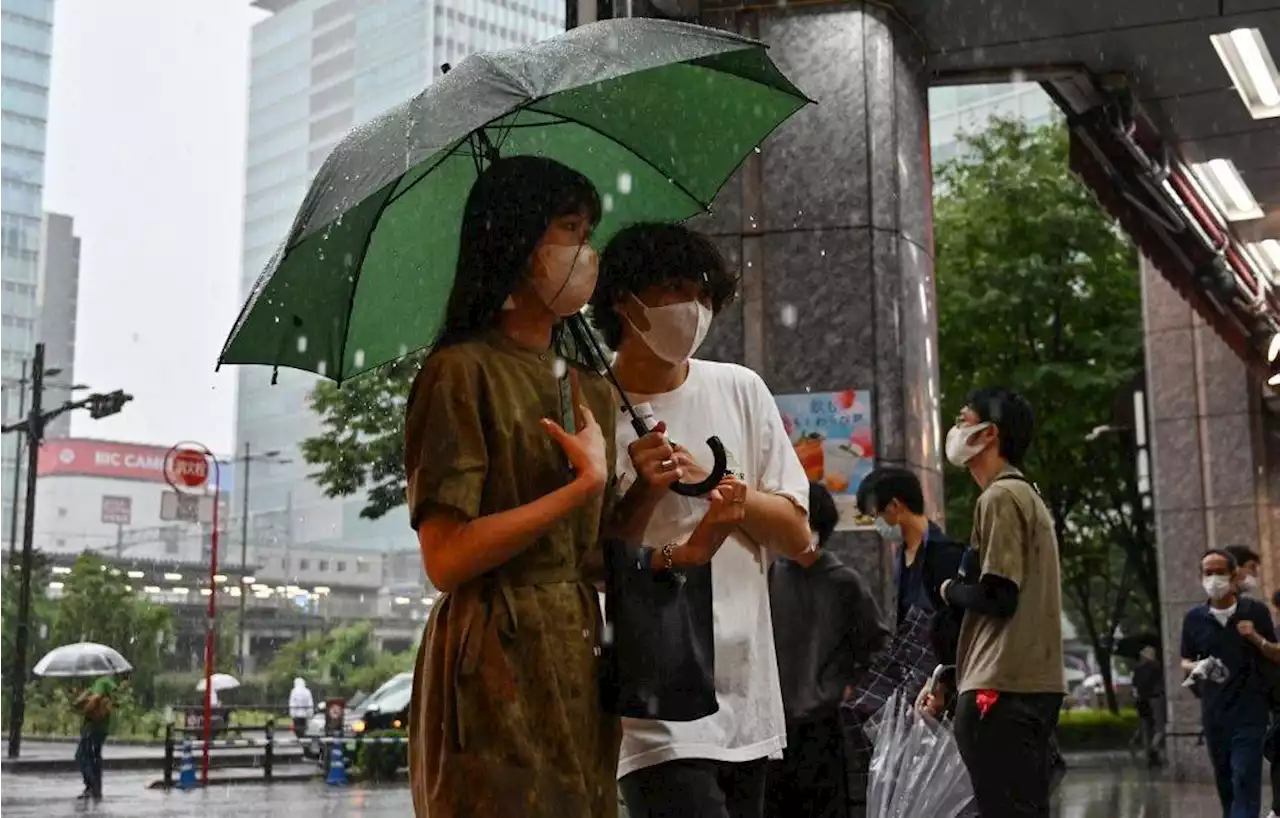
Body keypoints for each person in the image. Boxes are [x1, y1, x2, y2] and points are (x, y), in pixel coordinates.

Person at [403, 158, 734, 818]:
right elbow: (447, 560)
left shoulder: (580, 381)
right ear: (518, 240)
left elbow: (594, 555)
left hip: (580, 644)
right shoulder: (458, 372)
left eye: (590, 231)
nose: (588, 253)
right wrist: (581, 484)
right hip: (492, 652)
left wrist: (640, 490)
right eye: (570, 229)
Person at [592, 222, 812, 818]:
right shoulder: (589, 406)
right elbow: (594, 563)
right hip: (654, 703)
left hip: (748, 698)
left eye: (704, 291)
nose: (694, 307)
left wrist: (722, 486)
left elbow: (796, 533)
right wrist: (641, 492)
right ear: (624, 300)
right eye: (673, 287)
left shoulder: (740, 388)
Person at [937, 387, 1066, 818]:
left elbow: (999, 595)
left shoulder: (1000, 497)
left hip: (1002, 689)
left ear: (988, 434)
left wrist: (949, 591)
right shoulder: (1027, 495)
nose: (956, 429)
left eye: (962, 419)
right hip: (1027, 686)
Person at [765, 481, 889, 818]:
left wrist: (849, 685)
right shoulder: (772, 575)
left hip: (824, 722)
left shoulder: (843, 582)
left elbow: (877, 644)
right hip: (774, 726)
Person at [855, 466, 966, 713]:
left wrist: (943, 684)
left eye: (876, 516)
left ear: (895, 505)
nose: (877, 525)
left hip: (942, 690)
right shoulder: (902, 557)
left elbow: (959, 629)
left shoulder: (945, 556)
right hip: (913, 688)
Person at [1181, 549, 1276, 818]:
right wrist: (1197, 667)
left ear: (1234, 576)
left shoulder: (1254, 611)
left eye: (1219, 572)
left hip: (1251, 712)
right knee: (1226, 784)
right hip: (1215, 712)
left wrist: (1255, 637)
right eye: (1207, 573)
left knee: (1245, 777)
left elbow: (1276, 653)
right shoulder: (1194, 618)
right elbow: (1184, 660)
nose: (1213, 579)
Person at [73, 671, 125, 801]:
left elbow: (96, 698)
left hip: (92, 726)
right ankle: (96, 789)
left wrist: (84, 708)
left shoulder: (101, 682)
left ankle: (91, 786)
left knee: (82, 756)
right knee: (95, 758)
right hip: (103, 727)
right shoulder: (111, 684)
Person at [1131, 646, 1165, 768]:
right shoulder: (1157, 666)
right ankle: (1153, 748)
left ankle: (1148, 754)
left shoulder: (1137, 668)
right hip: (1156, 698)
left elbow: (1134, 686)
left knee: (1146, 728)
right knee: (1160, 728)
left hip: (1142, 701)